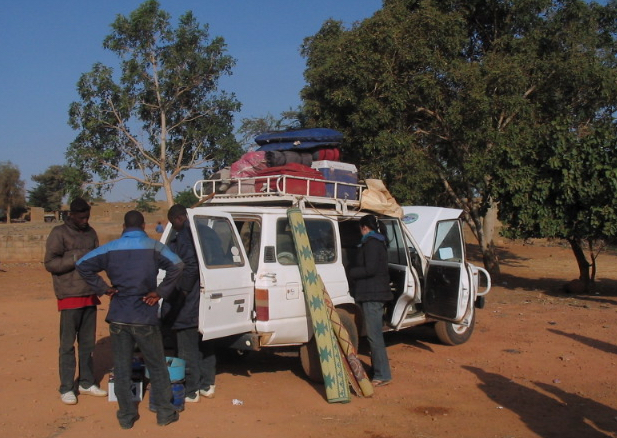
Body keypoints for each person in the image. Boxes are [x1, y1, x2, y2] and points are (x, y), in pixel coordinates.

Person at [76, 210, 184, 429]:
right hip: (145, 313)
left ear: (123, 227)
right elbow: (178, 265)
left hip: (118, 315)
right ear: (143, 226)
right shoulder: (153, 246)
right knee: (156, 365)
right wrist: (160, 292)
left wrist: (104, 288)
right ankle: (164, 412)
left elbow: (82, 264)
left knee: (122, 367)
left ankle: (126, 416)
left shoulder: (109, 248)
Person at [44, 197, 108, 405]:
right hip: (69, 296)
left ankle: (87, 382)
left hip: (89, 294)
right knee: (67, 345)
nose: (85, 221)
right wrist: (74, 259)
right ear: (71, 215)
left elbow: (97, 260)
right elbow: (50, 263)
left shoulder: (91, 233)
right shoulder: (58, 233)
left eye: (87, 217)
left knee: (88, 344)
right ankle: (66, 387)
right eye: (81, 217)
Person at [164, 204, 217, 403]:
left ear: (179, 218)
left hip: (191, 296)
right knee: (206, 342)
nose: (175, 228)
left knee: (187, 343)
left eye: (173, 224)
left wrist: (182, 291)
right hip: (209, 293)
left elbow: (191, 266)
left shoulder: (185, 235)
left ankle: (191, 390)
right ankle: (207, 384)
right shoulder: (207, 231)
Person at [348, 214, 393, 387]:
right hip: (373, 293)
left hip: (372, 295)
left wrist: (351, 272)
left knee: (374, 336)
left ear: (364, 228)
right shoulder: (376, 242)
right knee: (375, 335)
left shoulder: (372, 244)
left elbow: (371, 269)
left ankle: (383, 374)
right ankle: (379, 371)